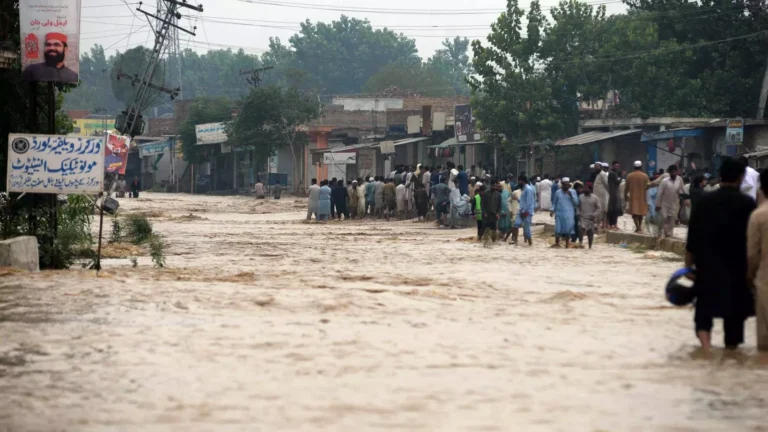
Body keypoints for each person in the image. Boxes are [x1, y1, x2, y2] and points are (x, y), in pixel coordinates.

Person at [686, 158, 757, 350]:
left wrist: (687, 266)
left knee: (704, 311)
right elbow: (752, 240)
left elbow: (692, 236)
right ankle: (731, 352)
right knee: (735, 316)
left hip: (708, 265)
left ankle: (706, 349)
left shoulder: (705, 202)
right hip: (737, 267)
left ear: (720, 175)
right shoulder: (747, 203)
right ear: (741, 177)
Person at [748, 170, 768, 350]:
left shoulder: (759, 215)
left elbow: (752, 254)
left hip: (765, 281)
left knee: (764, 344)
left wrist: (749, 277)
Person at [655, 164, 685, 238]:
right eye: (672, 172)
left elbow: (682, 190)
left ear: (677, 172)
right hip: (663, 203)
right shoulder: (664, 181)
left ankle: (667, 232)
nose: (673, 174)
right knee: (664, 217)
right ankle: (660, 232)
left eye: (675, 172)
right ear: (669, 172)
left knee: (672, 218)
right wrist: (657, 204)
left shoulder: (679, 180)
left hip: (674, 202)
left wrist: (684, 198)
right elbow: (659, 193)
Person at [551, 177, 579, 248]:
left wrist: (571, 196)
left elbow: (576, 203)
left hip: (569, 214)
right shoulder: (558, 192)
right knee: (557, 229)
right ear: (562, 185)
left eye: (567, 184)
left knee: (568, 230)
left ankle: (567, 245)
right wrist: (552, 210)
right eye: (564, 184)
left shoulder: (573, 192)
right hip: (559, 213)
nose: (566, 186)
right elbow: (554, 203)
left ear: (569, 185)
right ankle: (557, 244)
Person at [624, 161, 651, 233]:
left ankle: (638, 228)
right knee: (641, 213)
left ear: (634, 167)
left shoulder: (629, 176)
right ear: (641, 167)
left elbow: (626, 188)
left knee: (634, 213)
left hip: (633, 197)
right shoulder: (645, 176)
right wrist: (644, 189)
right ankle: (639, 228)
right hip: (642, 197)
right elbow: (649, 185)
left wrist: (625, 195)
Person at [513, 175, 535, 246]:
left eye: (519, 181)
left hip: (527, 212)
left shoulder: (529, 189)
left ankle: (530, 243)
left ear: (522, 181)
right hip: (521, 210)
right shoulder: (524, 189)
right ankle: (515, 242)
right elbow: (523, 201)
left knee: (526, 229)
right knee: (516, 224)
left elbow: (529, 202)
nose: (518, 183)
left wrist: (525, 211)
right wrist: (517, 199)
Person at [579, 183, 602, 249]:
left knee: (590, 233)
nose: (585, 189)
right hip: (582, 217)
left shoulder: (595, 198)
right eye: (584, 188)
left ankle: (590, 247)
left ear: (590, 189)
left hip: (591, 219)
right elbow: (578, 206)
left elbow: (599, 208)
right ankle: (580, 244)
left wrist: (594, 215)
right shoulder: (580, 197)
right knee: (580, 231)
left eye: (586, 188)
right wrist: (578, 212)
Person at [606, 161, 623, 230]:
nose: (617, 167)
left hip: (612, 193)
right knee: (614, 210)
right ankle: (613, 225)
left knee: (612, 210)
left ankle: (612, 225)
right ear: (612, 166)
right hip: (614, 194)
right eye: (616, 166)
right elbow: (617, 182)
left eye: (618, 166)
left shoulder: (613, 173)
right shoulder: (613, 173)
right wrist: (621, 176)